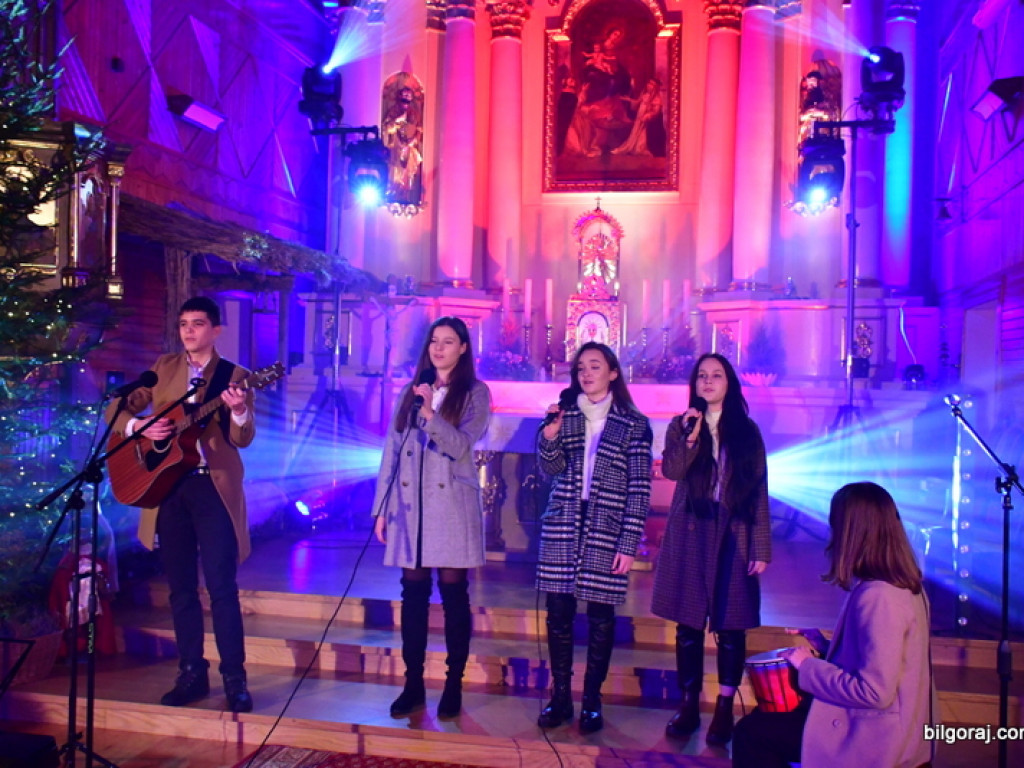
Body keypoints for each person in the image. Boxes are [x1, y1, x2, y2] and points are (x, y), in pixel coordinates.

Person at [106, 296, 255, 712]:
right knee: (180, 589)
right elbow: (116, 411)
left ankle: (234, 678)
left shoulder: (234, 375)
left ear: (216, 330)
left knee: (222, 587)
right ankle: (191, 672)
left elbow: (242, 439)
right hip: (168, 485)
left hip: (213, 489)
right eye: (184, 323)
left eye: (199, 323)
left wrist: (239, 410)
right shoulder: (163, 367)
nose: (189, 331)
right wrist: (141, 426)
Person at [732, 482, 936, 768]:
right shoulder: (905, 585)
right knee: (763, 723)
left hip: (876, 736)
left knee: (752, 734)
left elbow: (874, 692)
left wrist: (806, 665)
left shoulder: (880, 597)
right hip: (888, 724)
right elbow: (883, 661)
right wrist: (824, 646)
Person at [371, 316, 492, 719]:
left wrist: (429, 414)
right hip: (409, 507)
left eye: (448, 342)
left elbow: (460, 445)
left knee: (455, 596)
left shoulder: (475, 393)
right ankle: (412, 684)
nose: (439, 348)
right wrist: (381, 509)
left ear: (462, 348)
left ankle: (453, 683)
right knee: (413, 595)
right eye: (434, 341)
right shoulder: (411, 390)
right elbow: (391, 448)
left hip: (452, 504)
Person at [650, 352, 771, 745]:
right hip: (691, 529)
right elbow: (672, 472)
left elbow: (759, 492)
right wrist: (689, 437)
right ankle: (688, 704)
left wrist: (761, 546)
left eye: (716, 375)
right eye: (701, 376)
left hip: (732, 530)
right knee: (687, 625)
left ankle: (723, 707)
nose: (707, 381)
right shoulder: (682, 424)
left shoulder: (747, 432)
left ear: (729, 383)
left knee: (731, 625)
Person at [535, 342, 653, 734]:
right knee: (559, 613)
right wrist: (549, 435)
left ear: (613, 372)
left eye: (595, 367)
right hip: (563, 521)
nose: (586, 374)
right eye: (581, 368)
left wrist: (628, 541)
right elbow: (550, 468)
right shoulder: (562, 415)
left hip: (606, 524)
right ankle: (561, 696)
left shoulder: (634, 423)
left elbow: (639, 487)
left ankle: (592, 699)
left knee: (601, 615)